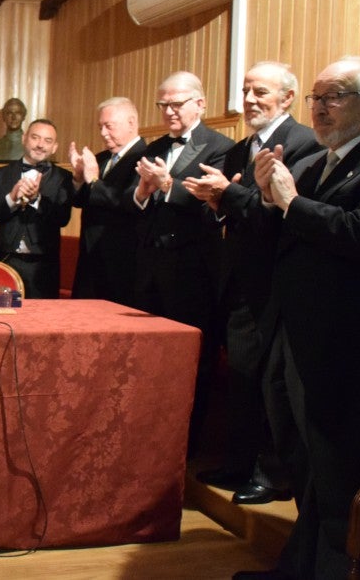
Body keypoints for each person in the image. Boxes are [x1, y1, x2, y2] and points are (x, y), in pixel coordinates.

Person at [232, 57, 360, 580]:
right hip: (291, 333)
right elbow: (279, 233)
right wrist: (261, 195)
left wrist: (289, 202)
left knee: (335, 471)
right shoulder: (313, 162)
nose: (319, 109)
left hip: (343, 348)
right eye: (315, 98)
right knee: (300, 463)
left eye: (334, 97)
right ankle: (298, 568)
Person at [183, 62, 320, 506]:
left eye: (260, 91)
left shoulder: (304, 143)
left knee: (269, 383)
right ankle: (240, 463)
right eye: (245, 90)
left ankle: (272, 472)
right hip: (238, 280)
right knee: (243, 378)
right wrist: (216, 201)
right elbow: (232, 209)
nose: (249, 99)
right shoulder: (242, 147)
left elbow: (284, 212)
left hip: (278, 284)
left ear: (288, 98)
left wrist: (230, 195)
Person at [131, 71, 233, 452]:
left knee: (193, 361)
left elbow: (214, 208)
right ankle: (149, 438)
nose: (169, 111)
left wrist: (169, 185)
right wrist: (142, 193)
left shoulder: (220, 147)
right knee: (148, 360)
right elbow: (140, 206)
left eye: (177, 103)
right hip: (150, 270)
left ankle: (187, 445)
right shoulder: (155, 146)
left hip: (193, 273)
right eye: (163, 104)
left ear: (200, 104)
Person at [68, 96, 147, 305]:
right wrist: (77, 178)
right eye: (100, 126)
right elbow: (81, 201)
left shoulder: (145, 157)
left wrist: (94, 180)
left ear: (131, 123)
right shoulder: (101, 158)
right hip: (90, 258)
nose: (103, 133)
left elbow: (127, 202)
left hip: (122, 262)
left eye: (109, 126)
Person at [0, 119, 73, 297]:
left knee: (42, 321)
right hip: (6, 260)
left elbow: (63, 218)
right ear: (24, 138)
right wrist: (12, 199)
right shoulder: (1, 174)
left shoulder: (63, 177)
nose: (41, 145)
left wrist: (37, 200)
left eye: (47, 141)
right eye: (35, 138)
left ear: (55, 147)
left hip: (44, 266)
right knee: (2, 316)